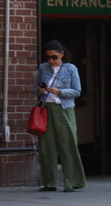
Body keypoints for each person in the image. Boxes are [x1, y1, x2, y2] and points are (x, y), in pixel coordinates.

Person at [34, 40, 87, 192]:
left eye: (54, 57)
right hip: (46, 109)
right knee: (46, 147)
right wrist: (40, 90)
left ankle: (72, 182)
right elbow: (36, 89)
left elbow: (77, 91)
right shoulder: (43, 68)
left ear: (62, 54)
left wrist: (59, 92)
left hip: (64, 109)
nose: (51, 60)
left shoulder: (70, 69)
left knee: (67, 145)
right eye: (48, 57)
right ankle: (50, 182)